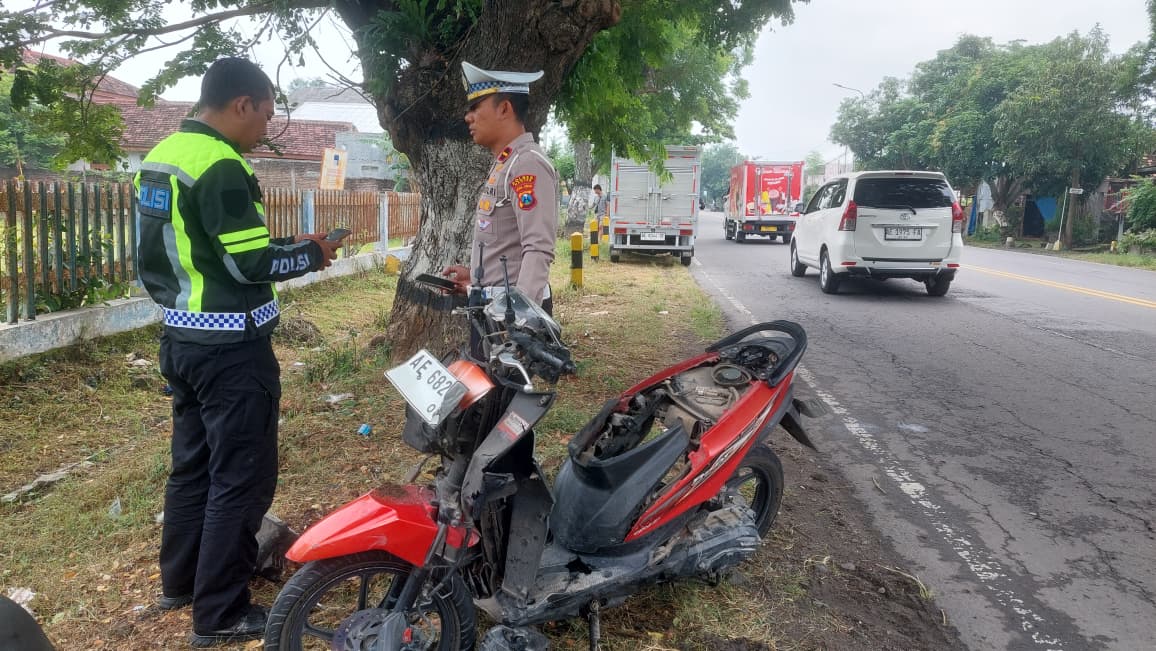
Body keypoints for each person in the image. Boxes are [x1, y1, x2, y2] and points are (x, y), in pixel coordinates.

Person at [133, 57, 340, 647]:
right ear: (242, 104)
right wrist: (309, 255)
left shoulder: (162, 158)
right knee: (241, 477)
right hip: (231, 348)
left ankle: (182, 581)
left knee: (192, 467)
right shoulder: (222, 165)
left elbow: (210, 247)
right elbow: (249, 263)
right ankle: (221, 611)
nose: (266, 130)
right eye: (266, 114)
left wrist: (288, 243)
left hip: (182, 337)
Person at [443, 61, 559, 314]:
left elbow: (538, 248)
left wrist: (520, 318)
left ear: (504, 108)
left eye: (475, 107)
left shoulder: (527, 164)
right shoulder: (506, 163)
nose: (468, 117)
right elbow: (506, 246)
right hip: (492, 307)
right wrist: (476, 281)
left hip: (513, 315)